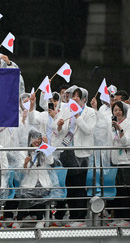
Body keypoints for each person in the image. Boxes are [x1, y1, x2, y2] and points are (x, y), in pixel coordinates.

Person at [52, 87, 96, 227]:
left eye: (78, 96)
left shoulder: (90, 112)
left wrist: (77, 116)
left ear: (84, 99)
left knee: (79, 185)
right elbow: (57, 129)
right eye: (73, 95)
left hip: (81, 153)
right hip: (66, 150)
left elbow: (88, 131)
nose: (75, 98)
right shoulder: (66, 109)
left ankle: (80, 217)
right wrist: (59, 126)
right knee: (69, 185)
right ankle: (72, 215)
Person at [13, 129, 60, 229]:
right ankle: (20, 219)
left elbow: (51, 161)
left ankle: (40, 219)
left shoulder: (43, 149)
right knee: (25, 194)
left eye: (38, 138)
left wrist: (46, 148)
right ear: (29, 139)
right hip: (29, 181)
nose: (36, 141)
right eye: (34, 138)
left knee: (39, 192)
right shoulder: (23, 152)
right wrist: (25, 163)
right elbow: (21, 171)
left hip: (44, 181)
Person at [108, 101, 130, 227]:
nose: (117, 112)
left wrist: (120, 129)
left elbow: (126, 142)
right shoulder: (112, 124)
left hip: (126, 161)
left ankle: (126, 218)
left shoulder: (127, 123)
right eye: (115, 110)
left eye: (119, 110)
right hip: (115, 162)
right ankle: (118, 217)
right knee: (118, 190)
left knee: (125, 190)